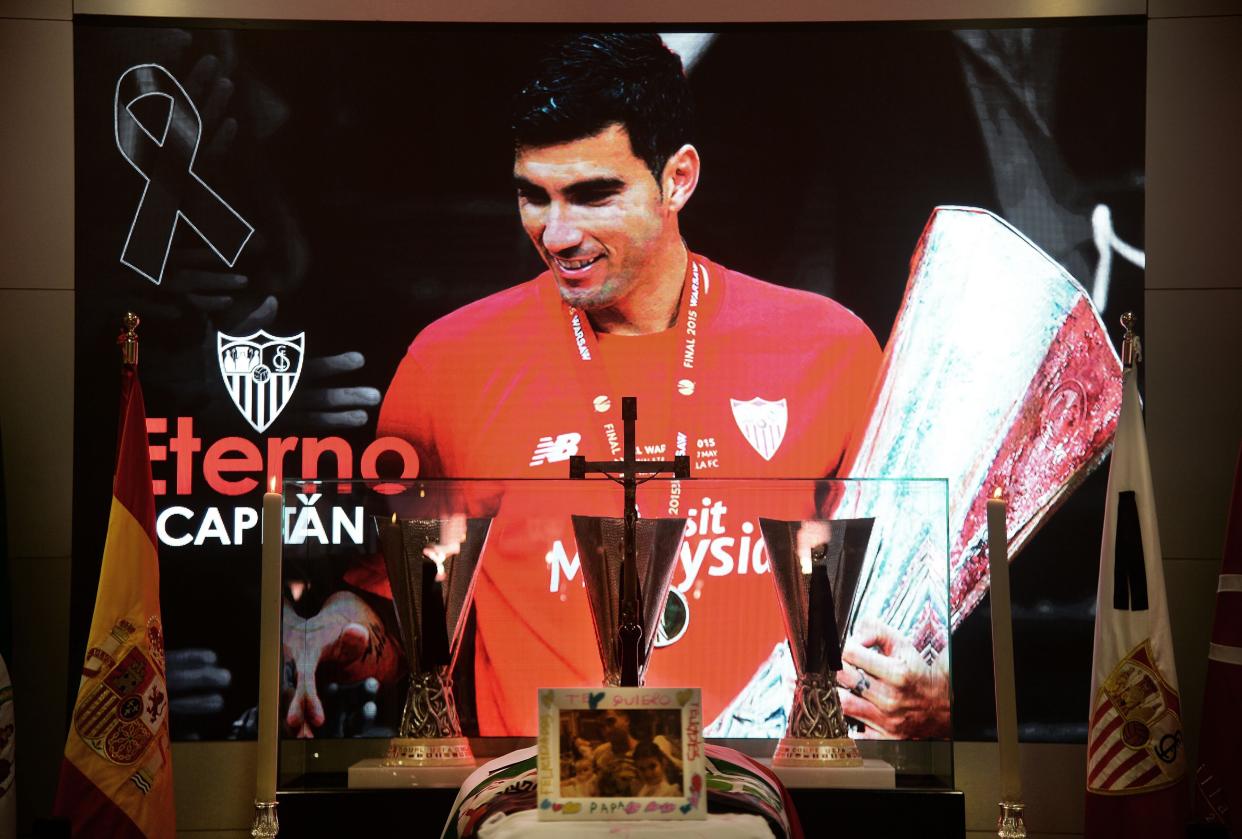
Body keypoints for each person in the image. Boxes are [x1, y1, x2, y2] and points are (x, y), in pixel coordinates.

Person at [377, 33, 883, 735]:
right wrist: (348, 627)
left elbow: (898, 603)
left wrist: (922, 685)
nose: (557, 234)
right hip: (531, 812)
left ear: (678, 178)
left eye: (593, 195)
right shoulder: (448, 363)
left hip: (759, 806)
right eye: (534, 196)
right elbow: (395, 610)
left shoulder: (829, 350)